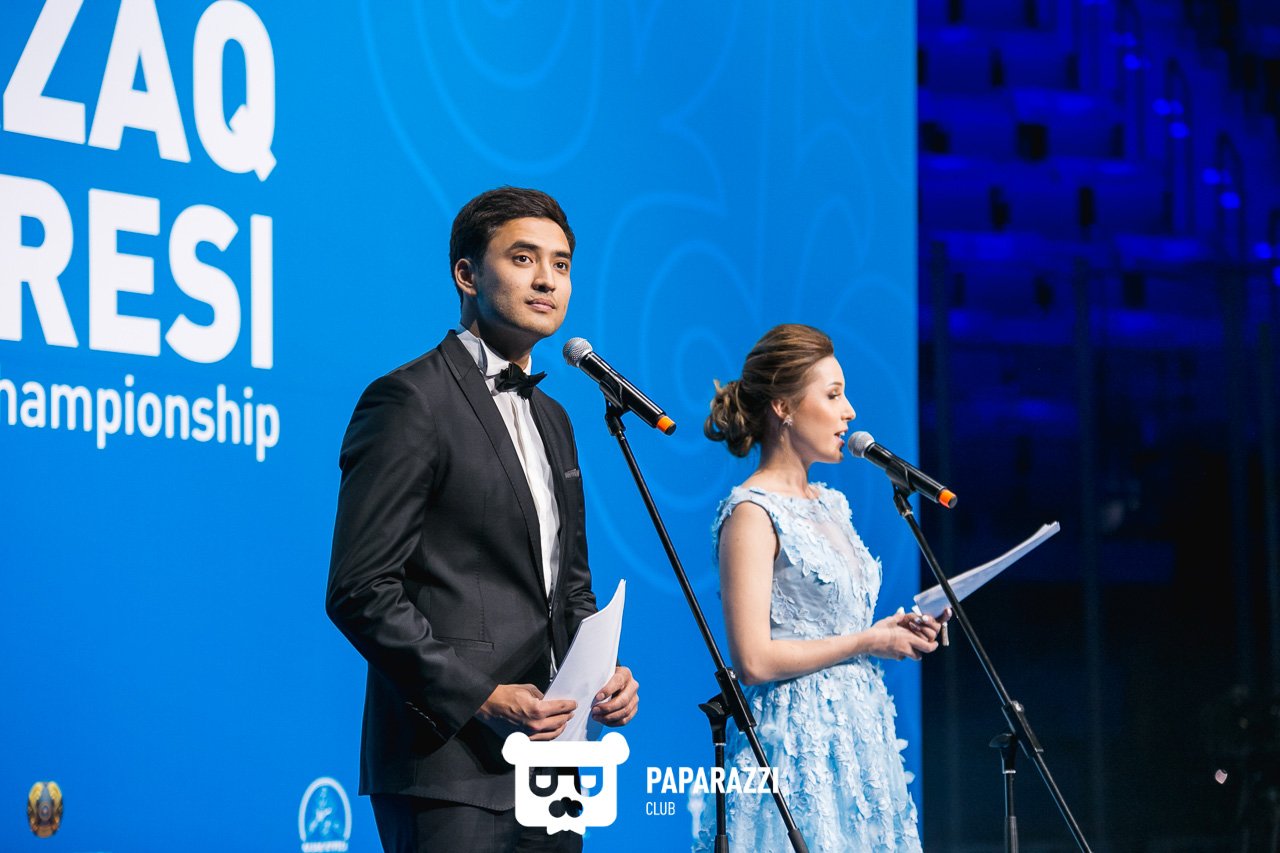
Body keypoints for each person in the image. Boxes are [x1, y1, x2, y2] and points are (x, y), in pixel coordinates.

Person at [326, 186, 639, 853]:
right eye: (523, 258)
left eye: (560, 264)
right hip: (449, 762)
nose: (547, 279)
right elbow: (361, 588)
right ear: (467, 275)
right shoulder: (410, 400)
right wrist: (481, 695)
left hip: (553, 763)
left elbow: (568, 586)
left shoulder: (555, 418)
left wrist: (603, 673)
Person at [695, 323, 946, 852]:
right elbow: (753, 661)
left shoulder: (832, 504)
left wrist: (893, 631)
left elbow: (839, 624)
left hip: (860, 736)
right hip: (795, 740)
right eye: (833, 395)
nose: (849, 412)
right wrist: (868, 641)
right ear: (783, 407)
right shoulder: (752, 513)